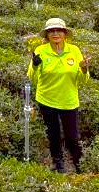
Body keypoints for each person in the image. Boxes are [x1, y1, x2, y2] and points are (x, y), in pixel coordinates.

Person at [27, 18, 90, 173]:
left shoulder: (74, 50)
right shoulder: (41, 51)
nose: (55, 33)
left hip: (69, 101)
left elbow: (82, 81)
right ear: (47, 35)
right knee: (53, 135)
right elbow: (32, 79)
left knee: (72, 137)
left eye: (58, 30)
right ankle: (58, 163)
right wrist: (35, 66)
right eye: (51, 31)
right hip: (47, 100)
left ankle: (79, 164)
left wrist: (83, 69)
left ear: (64, 34)